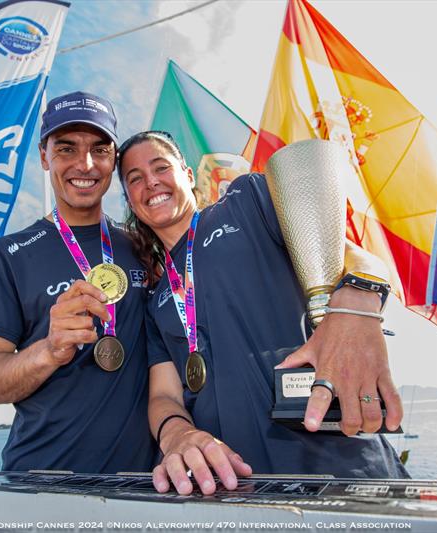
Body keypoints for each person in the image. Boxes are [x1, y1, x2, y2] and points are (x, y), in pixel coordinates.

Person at [116, 131, 408, 495]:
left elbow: (356, 257)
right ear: (129, 198)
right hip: (236, 487)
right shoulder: (156, 297)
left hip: (344, 468)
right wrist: (179, 433)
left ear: (188, 176)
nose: (151, 182)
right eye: (135, 178)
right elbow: (165, 396)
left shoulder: (246, 200)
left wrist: (358, 302)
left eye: (161, 167)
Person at [0, 92, 156, 473]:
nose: (85, 164)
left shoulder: (142, 245)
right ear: (44, 156)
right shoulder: (10, 254)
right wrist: (48, 351)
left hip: (142, 484)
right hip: (40, 478)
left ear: (113, 159)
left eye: (99, 150)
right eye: (66, 149)